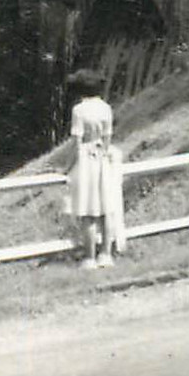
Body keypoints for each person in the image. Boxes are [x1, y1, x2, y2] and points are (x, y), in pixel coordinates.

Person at [65, 69, 124, 268]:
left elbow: (76, 141)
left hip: (85, 158)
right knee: (106, 208)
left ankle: (89, 257)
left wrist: (68, 166)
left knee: (87, 210)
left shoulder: (79, 110)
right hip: (103, 157)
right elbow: (108, 137)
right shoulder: (105, 107)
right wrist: (103, 152)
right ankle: (106, 255)